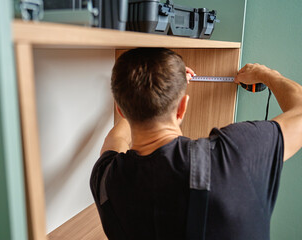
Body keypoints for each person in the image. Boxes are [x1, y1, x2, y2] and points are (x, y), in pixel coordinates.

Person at [90, 48, 302, 240]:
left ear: (120, 110)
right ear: (182, 107)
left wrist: (142, 98)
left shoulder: (105, 178)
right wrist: (267, 74)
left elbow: (115, 140)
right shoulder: (236, 152)